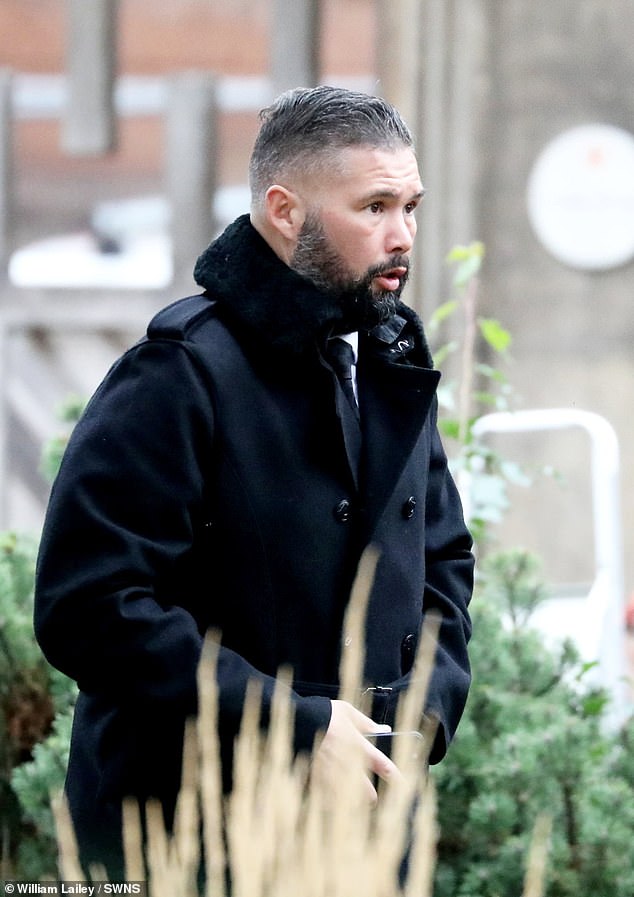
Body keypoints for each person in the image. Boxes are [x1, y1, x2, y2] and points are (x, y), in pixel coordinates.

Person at [34, 85, 474, 874]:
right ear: (285, 210)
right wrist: (298, 726)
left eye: (410, 206)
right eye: (373, 207)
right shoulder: (178, 372)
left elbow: (442, 565)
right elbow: (89, 608)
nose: (402, 235)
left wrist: (418, 716)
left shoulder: (389, 358)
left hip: (364, 838)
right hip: (186, 840)